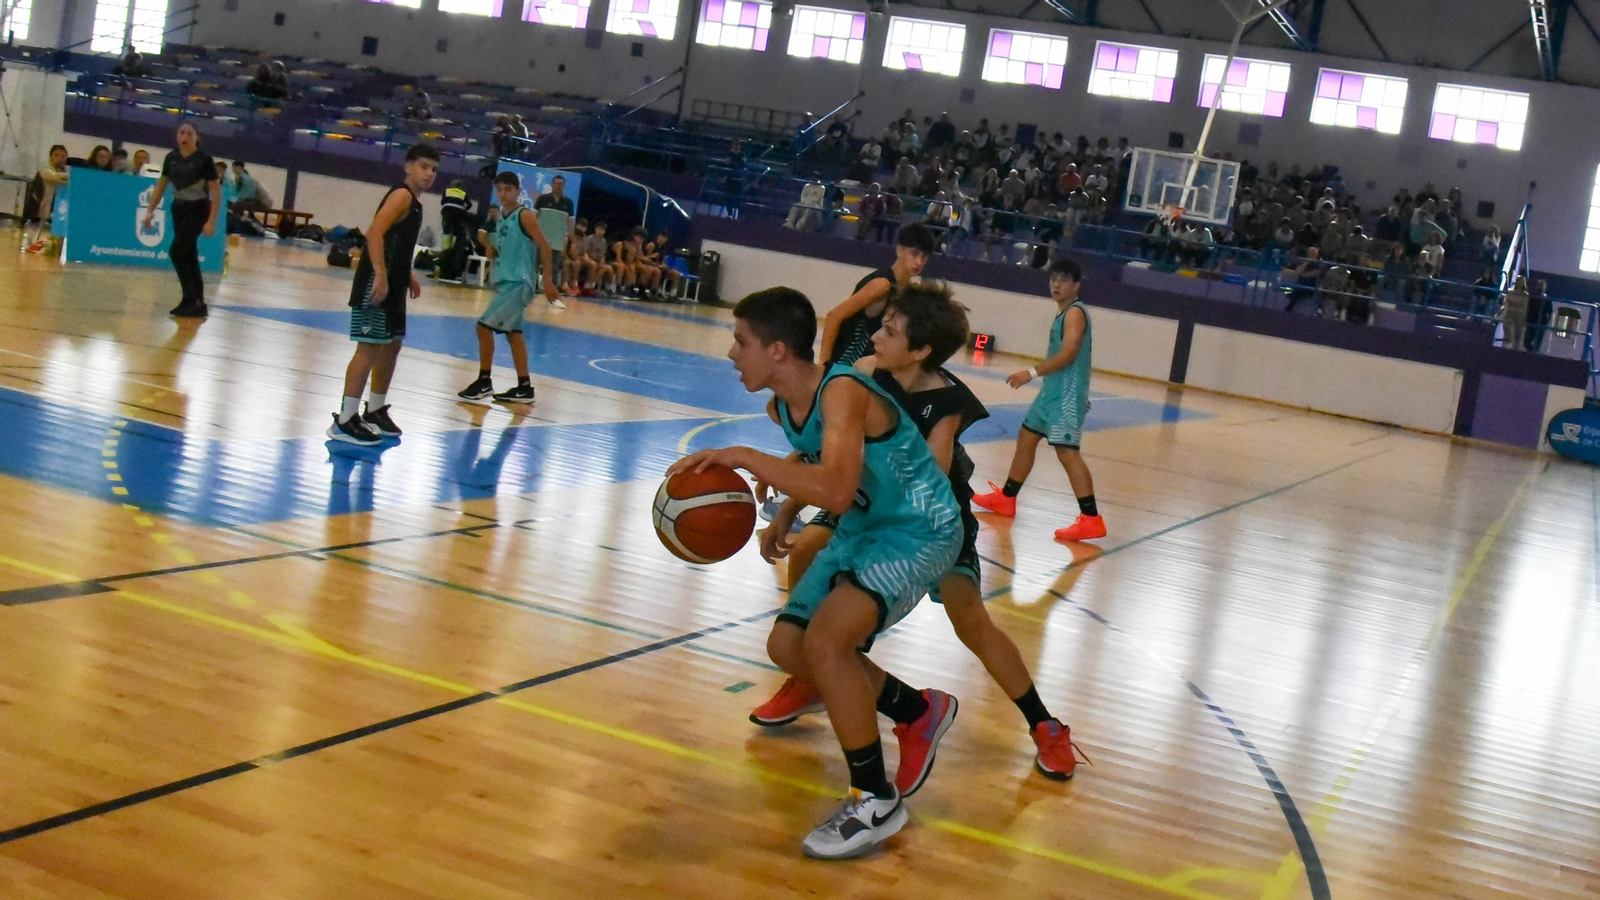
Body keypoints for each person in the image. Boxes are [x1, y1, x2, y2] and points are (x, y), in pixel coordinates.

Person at [668, 287, 961, 859]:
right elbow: (817, 459)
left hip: (919, 527)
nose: (732, 354)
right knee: (789, 646)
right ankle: (918, 710)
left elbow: (836, 486)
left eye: (741, 341)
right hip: (865, 526)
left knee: (828, 643)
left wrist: (746, 458)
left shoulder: (844, 389)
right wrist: (784, 511)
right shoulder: (782, 405)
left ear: (778, 351)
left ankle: (875, 799)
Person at [750, 283, 1082, 782]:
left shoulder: (943, 402)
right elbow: (825, 448)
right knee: (808, 552)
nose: (876, 337)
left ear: (921, 350)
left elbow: (926, 476)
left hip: (926, 519)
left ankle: (1045, 726)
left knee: (971, 622)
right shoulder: (860, 375)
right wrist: (785, 511)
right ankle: (814, 674)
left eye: (889, 331)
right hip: (863, 503)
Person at [973, 259, 1105, 542]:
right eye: (1054, 278)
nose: (1056, 284)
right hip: (1052, 394)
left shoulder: (1075, 314)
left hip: (1065, 397)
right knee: (1027, 437)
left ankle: (1092, 518)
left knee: (1067, 453)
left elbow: (1069, 353)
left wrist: (1030, 373)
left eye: (1064, 280)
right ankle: (1007, 498)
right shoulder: (1064, 313)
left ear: (1076, 285)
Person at [326, 143, 440, 445]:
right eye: (423, 166)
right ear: (408, 167)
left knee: (391, 344)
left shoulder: (415, 203)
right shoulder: (401, 195)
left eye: (433, 169)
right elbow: (374, 232)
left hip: (394, 283)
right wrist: (380, 273)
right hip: (376, 283)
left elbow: (396, 243)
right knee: (369, 348)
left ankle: (375, 408)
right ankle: (346, 419)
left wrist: (408, 275)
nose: (429, 173)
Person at [455, 171, 559, 405]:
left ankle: (484, 381)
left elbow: (545, 246)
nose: (503, 194)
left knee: (483, 327)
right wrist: (492, 247)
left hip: (519, 282)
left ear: (517, 190)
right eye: (499, 189)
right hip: (507, 281)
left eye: (507, 189)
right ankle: (524, 387)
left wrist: (549, 281)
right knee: (514, 335)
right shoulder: (501, 215)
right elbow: (506, 243)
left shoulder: (525, 216)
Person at [143, 123, 221, 318]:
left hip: (198, 208)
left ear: (196, 137)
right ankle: (199, 303)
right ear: (177, 136)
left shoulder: (204, 160)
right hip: (179, 209)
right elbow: (161, 186)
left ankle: (189, 298)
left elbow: (216, 193)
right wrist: (150, 210)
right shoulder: (172, 158)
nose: (185, 136)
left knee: (176, 251)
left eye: (189, 133)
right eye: (181, 132)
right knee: (189, 254)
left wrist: (211, 221)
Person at [533, 175, 575, 291]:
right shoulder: (542, 199)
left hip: (557, 241)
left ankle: (551, 290)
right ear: (552, 184)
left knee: (554, 268)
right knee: (534, 265)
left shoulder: (568, 203)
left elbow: (570, 223)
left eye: (561, 184)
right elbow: (533, 217)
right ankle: (533, 286)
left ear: (564, 186)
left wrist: (573, 241)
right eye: (556, 183)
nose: (558, 186)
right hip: (540, 239)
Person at [1500, 276, 1530, 351]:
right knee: (1508, 333)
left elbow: (1524, 307)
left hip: (1519, 316)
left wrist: (1513, 304)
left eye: (1521, 281)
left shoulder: (1525, 295)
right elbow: (1506, 302)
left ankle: (1515, 351)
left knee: (1517, 335)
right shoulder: (1510, 292)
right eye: (1518, 281)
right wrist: (1515, 305)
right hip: (1509, 315)